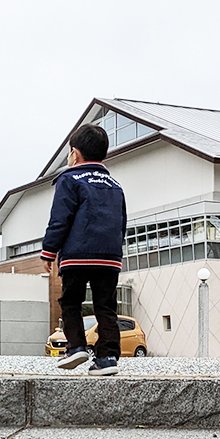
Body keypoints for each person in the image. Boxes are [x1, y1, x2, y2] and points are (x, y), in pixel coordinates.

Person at [41, 123, 127, 375]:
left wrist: (49, 251)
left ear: (74, 154)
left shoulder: (69, 179)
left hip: (77, 255)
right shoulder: (115, 185)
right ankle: (108, 357)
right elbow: (121, 222)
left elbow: (60, 218)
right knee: (106, 306)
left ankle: (76, 346)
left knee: (70, 301)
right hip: (108, 258)